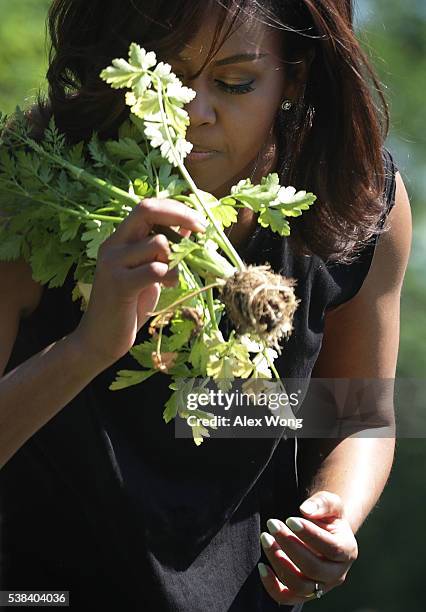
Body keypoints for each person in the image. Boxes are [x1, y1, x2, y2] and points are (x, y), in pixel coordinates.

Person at [0, 0, 412, 610]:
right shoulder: (37, 184)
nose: (192, 112)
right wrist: (90, 347)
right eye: (162, 74)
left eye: (235, 82)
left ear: (294, 76)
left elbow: (356, 416)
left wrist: (336, 516)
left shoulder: (351, 197)